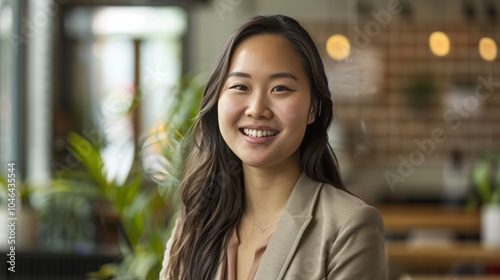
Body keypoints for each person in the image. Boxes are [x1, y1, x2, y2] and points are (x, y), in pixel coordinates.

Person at [160, 14, 387, 280]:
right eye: (240, 86)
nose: (257, 109)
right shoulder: (195, 222)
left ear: (313, 107)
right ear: (217, 99)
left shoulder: (349, 226)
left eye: (280, 88)